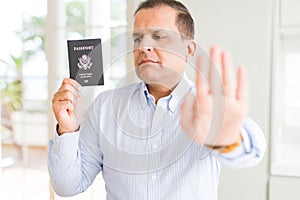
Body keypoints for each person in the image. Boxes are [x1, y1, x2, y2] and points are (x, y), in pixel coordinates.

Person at [49, 0, 266, 199]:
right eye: (137, 38)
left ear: (188, 49)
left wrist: (226, 141)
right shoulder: (105, 106)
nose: (143, 46)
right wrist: (67, 130)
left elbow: (253, 153)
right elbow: (67, 186)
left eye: (159, 36)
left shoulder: (209, 107)